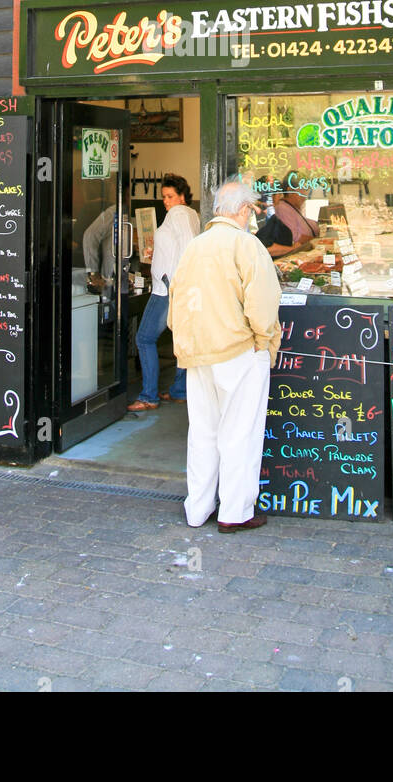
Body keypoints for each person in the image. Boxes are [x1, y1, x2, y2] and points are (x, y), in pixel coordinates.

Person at [167, 178, 281, 532]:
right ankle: (235, 512)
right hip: (239, 351)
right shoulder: (247, 245)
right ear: (244, 210)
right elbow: (262, 304)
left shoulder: (195, 247)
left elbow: (176, 305)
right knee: (239, 433)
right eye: (251, 211)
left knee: (202, 432)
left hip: (198, 354)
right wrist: (265, 342)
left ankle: (197, 509)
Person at [127, 173, 200, 411]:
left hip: (167, 289)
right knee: (180, 338)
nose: (166, 201)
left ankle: (149, 395)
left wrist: (170, 280)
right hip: (180, 286)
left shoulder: (178, 214)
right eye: (164, 197)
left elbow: (185, 247)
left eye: (170, 196)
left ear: (182, 196)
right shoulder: (191, 215)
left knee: (144, 338)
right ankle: (180, 390)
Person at [256, 170, 319, 257]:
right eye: (302, 190)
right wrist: (317, 240)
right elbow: (296, 239)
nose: (305, 195)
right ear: (289, 191)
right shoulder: (283, 209)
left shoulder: (294, 208)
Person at [81, 203, 116, 290]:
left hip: (117, 279)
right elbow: (90, 236)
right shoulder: (116, 211)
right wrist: (93, 272)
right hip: (109, 280)